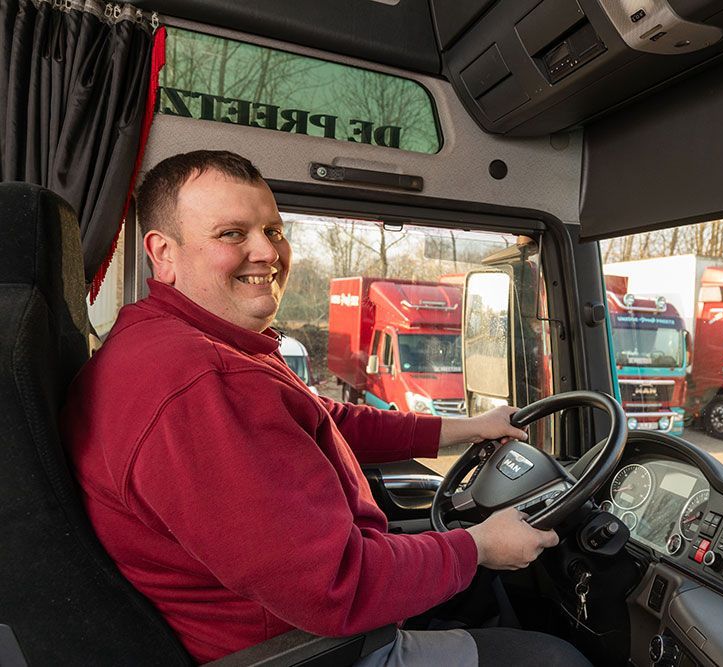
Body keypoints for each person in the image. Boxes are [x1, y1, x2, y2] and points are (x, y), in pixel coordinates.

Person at [61, 151, 589, 666]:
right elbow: (335, 588)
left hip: (290, 615)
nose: (267, 252)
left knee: (482, 591)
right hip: (307, 647)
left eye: (272, 231)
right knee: (554, 657)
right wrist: (476, 547)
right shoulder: (204, 382)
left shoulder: (182, 342)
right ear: (164, 253)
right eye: (231, 234)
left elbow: (323, 421)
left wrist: (466, 428)